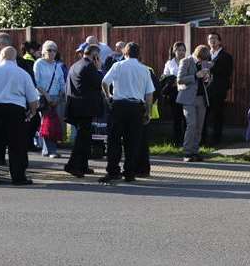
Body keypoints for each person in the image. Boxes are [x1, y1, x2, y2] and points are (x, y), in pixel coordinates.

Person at [0, 47, 40, 185]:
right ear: (15, 57)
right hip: (16, 111)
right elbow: (33, 100)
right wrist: (32, 112)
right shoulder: (23, 74)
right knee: (17, 147)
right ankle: (18, 177)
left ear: (1, 56)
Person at [99, 42, 154, 183]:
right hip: (136, 107)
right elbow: (149, 94)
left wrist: (108, 97)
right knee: (133, 142)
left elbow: (104, 82)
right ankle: (129, 173)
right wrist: (148, 112)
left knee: (114, 140)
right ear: (139, 54)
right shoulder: (145, 70)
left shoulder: (118, 66)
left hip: (119, 106)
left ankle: (113, 171)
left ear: (125, 53)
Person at [65, 45, 104, 177]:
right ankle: (73, 165)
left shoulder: (75, 65)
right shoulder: (90, 67)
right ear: (95, 56)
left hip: (75, 106)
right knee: (82, 139)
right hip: (85, 108)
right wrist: (99, 69)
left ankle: (83, 165)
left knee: (85, 138)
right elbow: (100, 83)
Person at [177, 45, 211, 162]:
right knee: (191, 124)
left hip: (202, 98)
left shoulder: (205, 63)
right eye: (201, 59)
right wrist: (196, 76)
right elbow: (180, 79)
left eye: (205, 60)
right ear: (197, 55)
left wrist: (207, 79)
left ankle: (195, 151)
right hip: (188, 98)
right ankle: (187, 152)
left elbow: (206, 81)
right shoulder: (186, 61)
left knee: (199, 126)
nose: (203, 61)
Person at [33, 41, 66, 159]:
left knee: (56, 123)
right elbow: (36, 82)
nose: (52, 53)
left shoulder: (58, 65)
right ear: (43, 52)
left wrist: (61, 95)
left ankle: (47, 150)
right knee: (48, 123)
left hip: (57, 98)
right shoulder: (38, 63)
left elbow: (62, 82)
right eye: (49, 50)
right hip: (44, 97)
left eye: (54, 50)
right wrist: (47, 96)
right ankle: (51, 150)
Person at [204, 31, 233, 146]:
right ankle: (204, 138)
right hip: (206, 89)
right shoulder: (205, 55)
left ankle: (217, 139)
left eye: (215, 39)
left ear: (219, 41)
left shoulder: (226, 56)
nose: (212, 41)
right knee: (204, 114)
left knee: (217, 114)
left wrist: (212, 68)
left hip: (219, 90)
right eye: (210, 39)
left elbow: (227, 72)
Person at [162, 41, 187, 147]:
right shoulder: (169, 63)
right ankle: (177, 140)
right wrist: (172, 81)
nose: (181, 52)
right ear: (174, 51)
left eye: (183, 50)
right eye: (179, 50)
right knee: (177, 118)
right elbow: (164, 77)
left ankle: (187, 140)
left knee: (186, 118)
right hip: (174, 93)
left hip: (186, 92)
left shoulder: (188, 61)